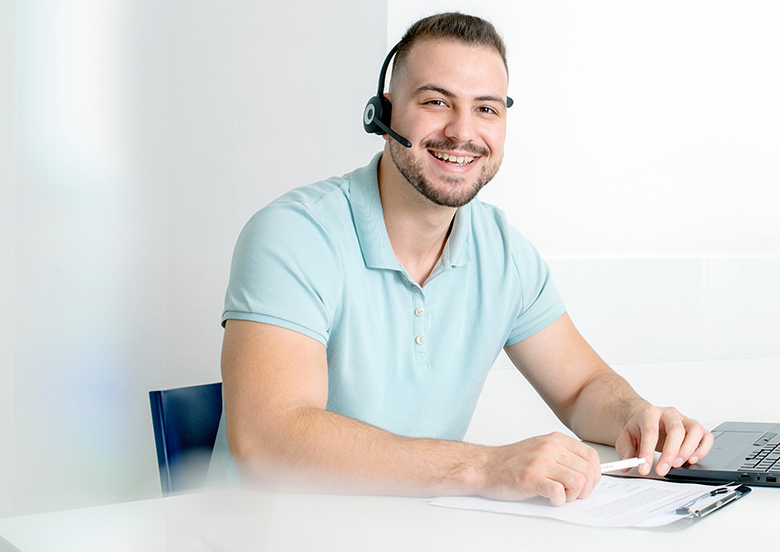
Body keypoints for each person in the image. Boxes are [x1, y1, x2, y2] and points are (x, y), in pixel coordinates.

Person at [218, 12, 713, 507]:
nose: (462, 131)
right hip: (270, 531)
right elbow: (269, 441)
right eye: (436, 101)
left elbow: (582, 387)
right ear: (384, 113)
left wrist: (635, 416)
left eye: (486, 109)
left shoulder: (504, 251)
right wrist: (485, 466)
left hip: (416, 531)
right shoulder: (294, 236)